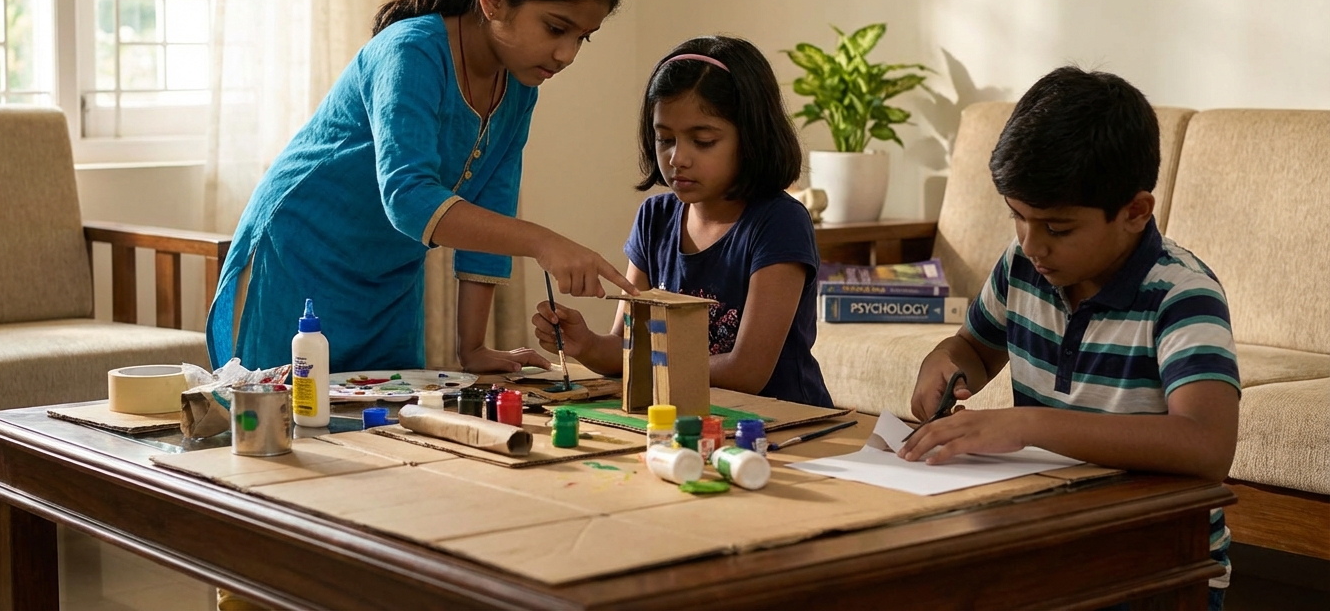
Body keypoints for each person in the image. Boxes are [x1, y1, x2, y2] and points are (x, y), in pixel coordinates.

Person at [205, 0, 635, 377]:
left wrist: (472, 349)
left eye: (583, 38)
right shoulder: (410, 50)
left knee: (387, 428)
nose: (567, 54)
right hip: (299, 256)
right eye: (556, 28)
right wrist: (542, 242)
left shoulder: (518, 87)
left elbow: (493, 206)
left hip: (389, 275)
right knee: (286, 427)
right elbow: (408, 199)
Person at [901, 67, 1240, 606]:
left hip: (1155, 561)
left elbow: (1207, 446)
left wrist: (1029, 426)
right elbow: (974, 348)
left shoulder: (1180, 294)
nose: (1032, 245)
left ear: (1135, 212)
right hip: (1047, 542)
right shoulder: (1022, 267)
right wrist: (944, 361)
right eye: (1018, 218)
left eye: (1057, 228)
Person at [531, 36, 834, 407]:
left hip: (781, 422)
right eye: (665, 139)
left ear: (752, 137)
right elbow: (627, 347)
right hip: (686, 420)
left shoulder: (779, 222)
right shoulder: (655, 218)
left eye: (703, 141)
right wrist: (588, 344)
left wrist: (640, 363)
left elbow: (748, 372)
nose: (677, 159)